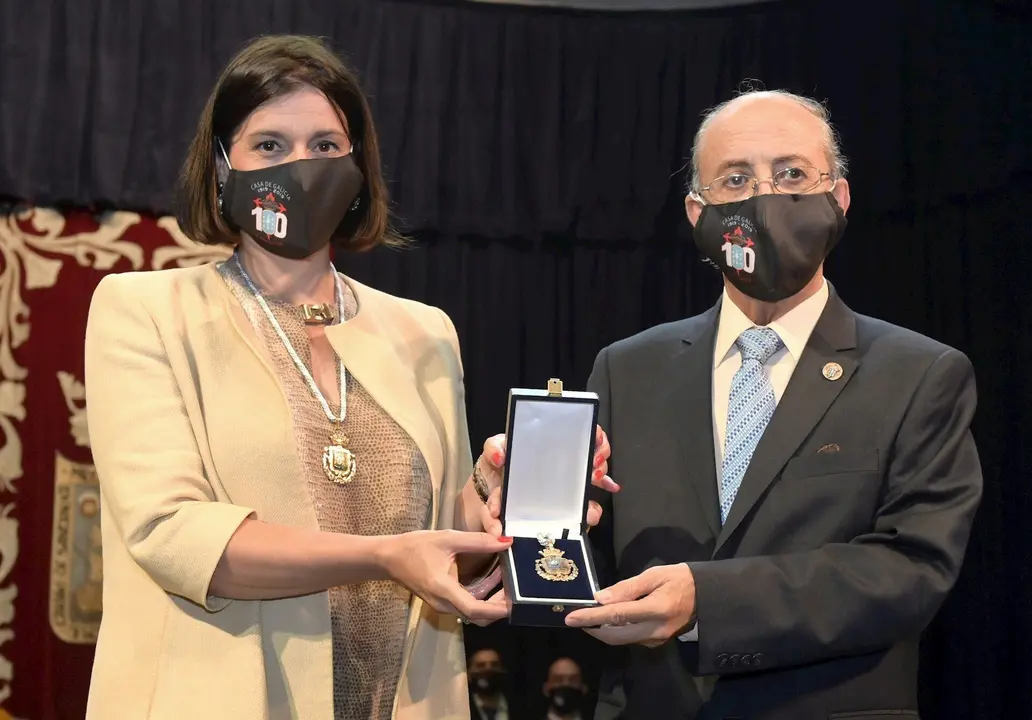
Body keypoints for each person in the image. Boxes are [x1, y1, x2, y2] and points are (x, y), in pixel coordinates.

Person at [83, 35, 613, 720]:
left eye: (326, 146)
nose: (301, 167)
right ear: (220, 168)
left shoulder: (424, 331)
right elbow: (174, 536)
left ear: (359, 167)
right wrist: (386, 555)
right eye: (269, 145)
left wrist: (496, 501)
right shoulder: (146, 312)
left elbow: (444, 557)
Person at [566, 89, 982, 719]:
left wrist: (707, 599)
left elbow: (912, 568)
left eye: (791, 174)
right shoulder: (627, 368)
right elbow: (579, 556)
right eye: (736, 179)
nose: (764, 197)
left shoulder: (920, 374)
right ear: (696, 213)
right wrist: (527, 499)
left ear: (838, 198)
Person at [468, 648, 516, 720]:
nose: (488, 669)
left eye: (494, 665)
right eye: (481, 665)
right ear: (469, 673)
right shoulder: (461, 710)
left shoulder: (521, 707)